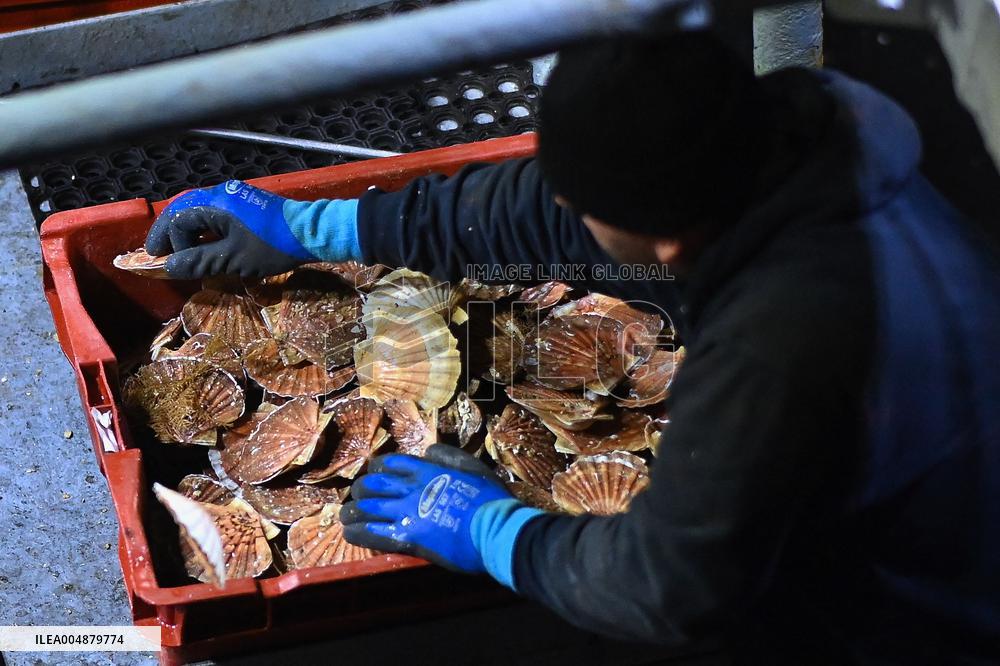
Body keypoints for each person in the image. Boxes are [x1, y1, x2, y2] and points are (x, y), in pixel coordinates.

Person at [144, 30, 1000, 665]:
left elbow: (672, 586)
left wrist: (488, 529)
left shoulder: (777, 349)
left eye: (585, 215)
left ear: (662, 244)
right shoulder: (795, 129)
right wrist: (310, 224)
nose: (563, 218)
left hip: (923, 609)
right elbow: (549, 206)